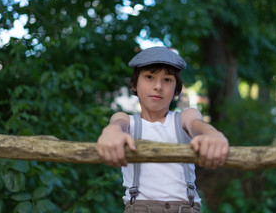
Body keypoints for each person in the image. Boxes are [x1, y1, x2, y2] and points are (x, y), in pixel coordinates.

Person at [97, 46, 229, 213]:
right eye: (149, 77)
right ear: (134, 84)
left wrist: (212, 134)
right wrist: (112, 132)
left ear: (176, 89)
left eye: (167, 80)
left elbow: (198, 125)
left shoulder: (183, 118)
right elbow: (116, 125)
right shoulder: (127, 122)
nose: (158, 86)